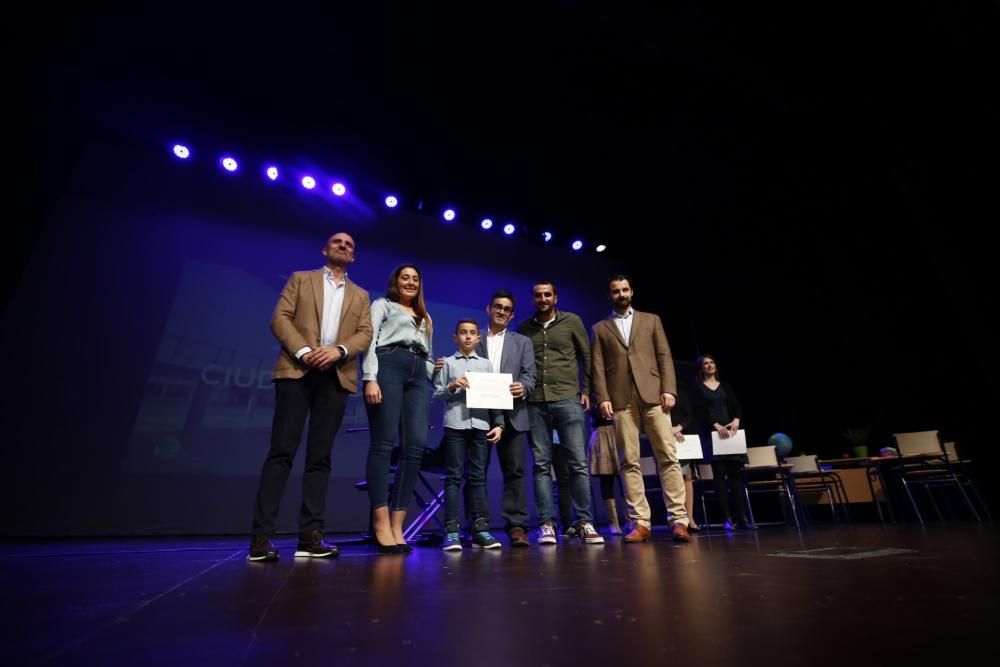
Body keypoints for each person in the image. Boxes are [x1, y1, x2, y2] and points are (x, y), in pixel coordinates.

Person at [248, 232, 373, 562]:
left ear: (354, 257)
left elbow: (365, 333)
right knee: (282, 452)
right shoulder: (300, 279)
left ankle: (310, 536)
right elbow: (280, 318)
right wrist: (304, 351)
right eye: (337, 242)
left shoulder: (361, 295)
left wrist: (339, 351)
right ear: (325, 249)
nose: (343, 246)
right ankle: (261, 538)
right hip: (296, 371)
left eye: (349, 244)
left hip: (335, 376)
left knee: (320, 458)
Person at [590, 274, 691, 543]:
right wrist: (602, 398)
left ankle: (678, 520)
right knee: (628, 461)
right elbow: (597, 367)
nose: (621, 294)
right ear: (610, 295)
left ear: (632, 292)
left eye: (625, 290)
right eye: (615, 291)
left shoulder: (651, 320)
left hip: (653, 394)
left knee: (668, 457)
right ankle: (640, 522)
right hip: (621, 399)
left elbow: (664, 356)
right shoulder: (600, 328)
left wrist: (669, 389)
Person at [517, 281, 604, 545]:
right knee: (541, 465)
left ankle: (585, 522)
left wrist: (587, 390)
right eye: (538, 295)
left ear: (555, 297)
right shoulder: (524, 328)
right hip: (536, 403)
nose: (542, 298)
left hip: (568, 398)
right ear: (533, 299)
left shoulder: (572, 321)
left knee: (577, 463)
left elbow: (586, 357)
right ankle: (546, 524)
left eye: (547, 294)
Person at [363, 264, 435, 553]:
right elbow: (369, 341)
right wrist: (370, 377)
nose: (410, 282)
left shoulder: (425, 317)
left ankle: (397, 524)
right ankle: (380, 523)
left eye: (415, 278)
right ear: (396, 281)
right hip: (388, 365)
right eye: (405, 277)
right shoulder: (382, 305)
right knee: (383, 444)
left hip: (418, 374)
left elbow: (428, 356)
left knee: (415, 446)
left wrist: (445, 378)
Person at [433, 318, 505, 551]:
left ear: (478, 338)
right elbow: (437, 395)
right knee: (454, 477)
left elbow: (496, 398)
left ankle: (481, 529)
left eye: (472, 333)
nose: (467, 336)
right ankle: (451, 530)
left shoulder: (486, 364)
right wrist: (453, 386)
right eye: (463, 332)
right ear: (455, 337)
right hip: (455, 425)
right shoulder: (447, 363)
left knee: (478, 478)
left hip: (481, 426)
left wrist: (499, 424)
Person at [473, 290, 537, 547]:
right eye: (497, 307)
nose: (501, 311)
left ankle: (517, 526)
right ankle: (478, 525)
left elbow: (530, 376)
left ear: (512, 315)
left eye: (506, 309)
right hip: (479, 415)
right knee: (477, 473)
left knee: (515, 472)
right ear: (488, 309)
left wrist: (524, 386)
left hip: (514, 414)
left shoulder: (523, 342)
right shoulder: (474, 337)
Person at [690, 354, 750, 530]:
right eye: (705, 364)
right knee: (720, 478)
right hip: (712, 436)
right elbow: (698, 411)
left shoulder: (725, 386)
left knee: (736, 478)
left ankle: (742, 518)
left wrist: (736, 419)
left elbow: (737, 405)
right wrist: (714, 424)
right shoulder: (697, 388)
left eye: (711, 362)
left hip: (731, 434)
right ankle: (727, 519)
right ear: (701, 368)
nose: (709, 365)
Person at [587, 405, 623, 535]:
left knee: (626, 477)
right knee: (606, 478)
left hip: (618, 431)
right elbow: (592, 411)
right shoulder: (592, 394)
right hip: (601, 434)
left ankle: (632, 519)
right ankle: (613, 522)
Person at [670, 390, 701, 532]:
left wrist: (679, 428)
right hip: (665, 436)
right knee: (671, 479)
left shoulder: (680, 392)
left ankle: (690, 518)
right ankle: (677, 520)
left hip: (683, 438)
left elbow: (689, 414)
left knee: (687, 477)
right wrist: (670, 430)